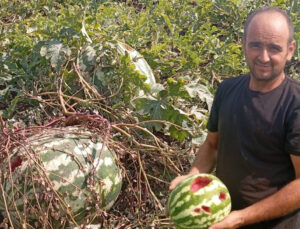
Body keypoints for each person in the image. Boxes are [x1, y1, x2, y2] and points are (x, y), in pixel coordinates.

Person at [169, 7, 300, 229]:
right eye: (256, 45)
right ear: (243, 43)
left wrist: (239, 218)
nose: (263, 57)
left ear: (290, 50)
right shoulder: (227, 89)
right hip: (221, 220)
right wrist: (192, 180)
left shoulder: (295, 103)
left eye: (274, 48)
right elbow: (212, 146)